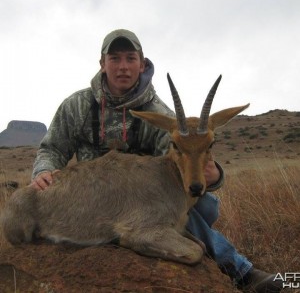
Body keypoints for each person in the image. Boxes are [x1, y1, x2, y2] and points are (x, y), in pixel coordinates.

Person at [31, 29, 283, 293]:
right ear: (102, 64)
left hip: (142, 200)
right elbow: (52, 149)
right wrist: (44, 170)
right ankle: (242, 272)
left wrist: (214, 175)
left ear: (142, 64)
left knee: (202, 206)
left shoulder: (161, 115)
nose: (123, 67)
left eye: (130, 58)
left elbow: (181, 170)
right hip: (93, 194)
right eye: (115, 59)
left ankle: (238, 269)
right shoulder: (77, 106)